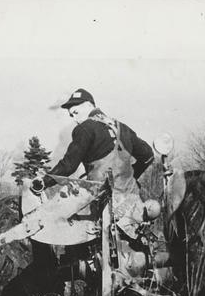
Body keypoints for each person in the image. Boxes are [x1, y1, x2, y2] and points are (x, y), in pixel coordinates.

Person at [33, 88, 154, 236]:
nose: (75, 119)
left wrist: (44, 182)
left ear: (89, 105)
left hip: (102, 203)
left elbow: (69, 166)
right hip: (132, 201)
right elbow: (148, 155)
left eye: (75, 113)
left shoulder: (85, 128)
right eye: (72, 116)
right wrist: (133, 177)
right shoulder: (122, 127)